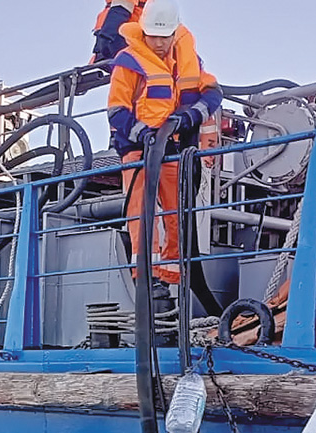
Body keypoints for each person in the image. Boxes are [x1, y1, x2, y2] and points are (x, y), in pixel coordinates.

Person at [107, 0, 222, 285]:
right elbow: (116, 110)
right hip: (138, 150)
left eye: (165, 36)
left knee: (176, 211)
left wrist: (190, 116)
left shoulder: (184, 62)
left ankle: (172, 275)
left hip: (171, 148)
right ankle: (145, 273)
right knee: (141, 211)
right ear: (143, 33)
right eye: (154, 36)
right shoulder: (129, 60)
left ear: (174, 34)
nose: (159, 43)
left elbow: (212, 93)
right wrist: (143, 134)